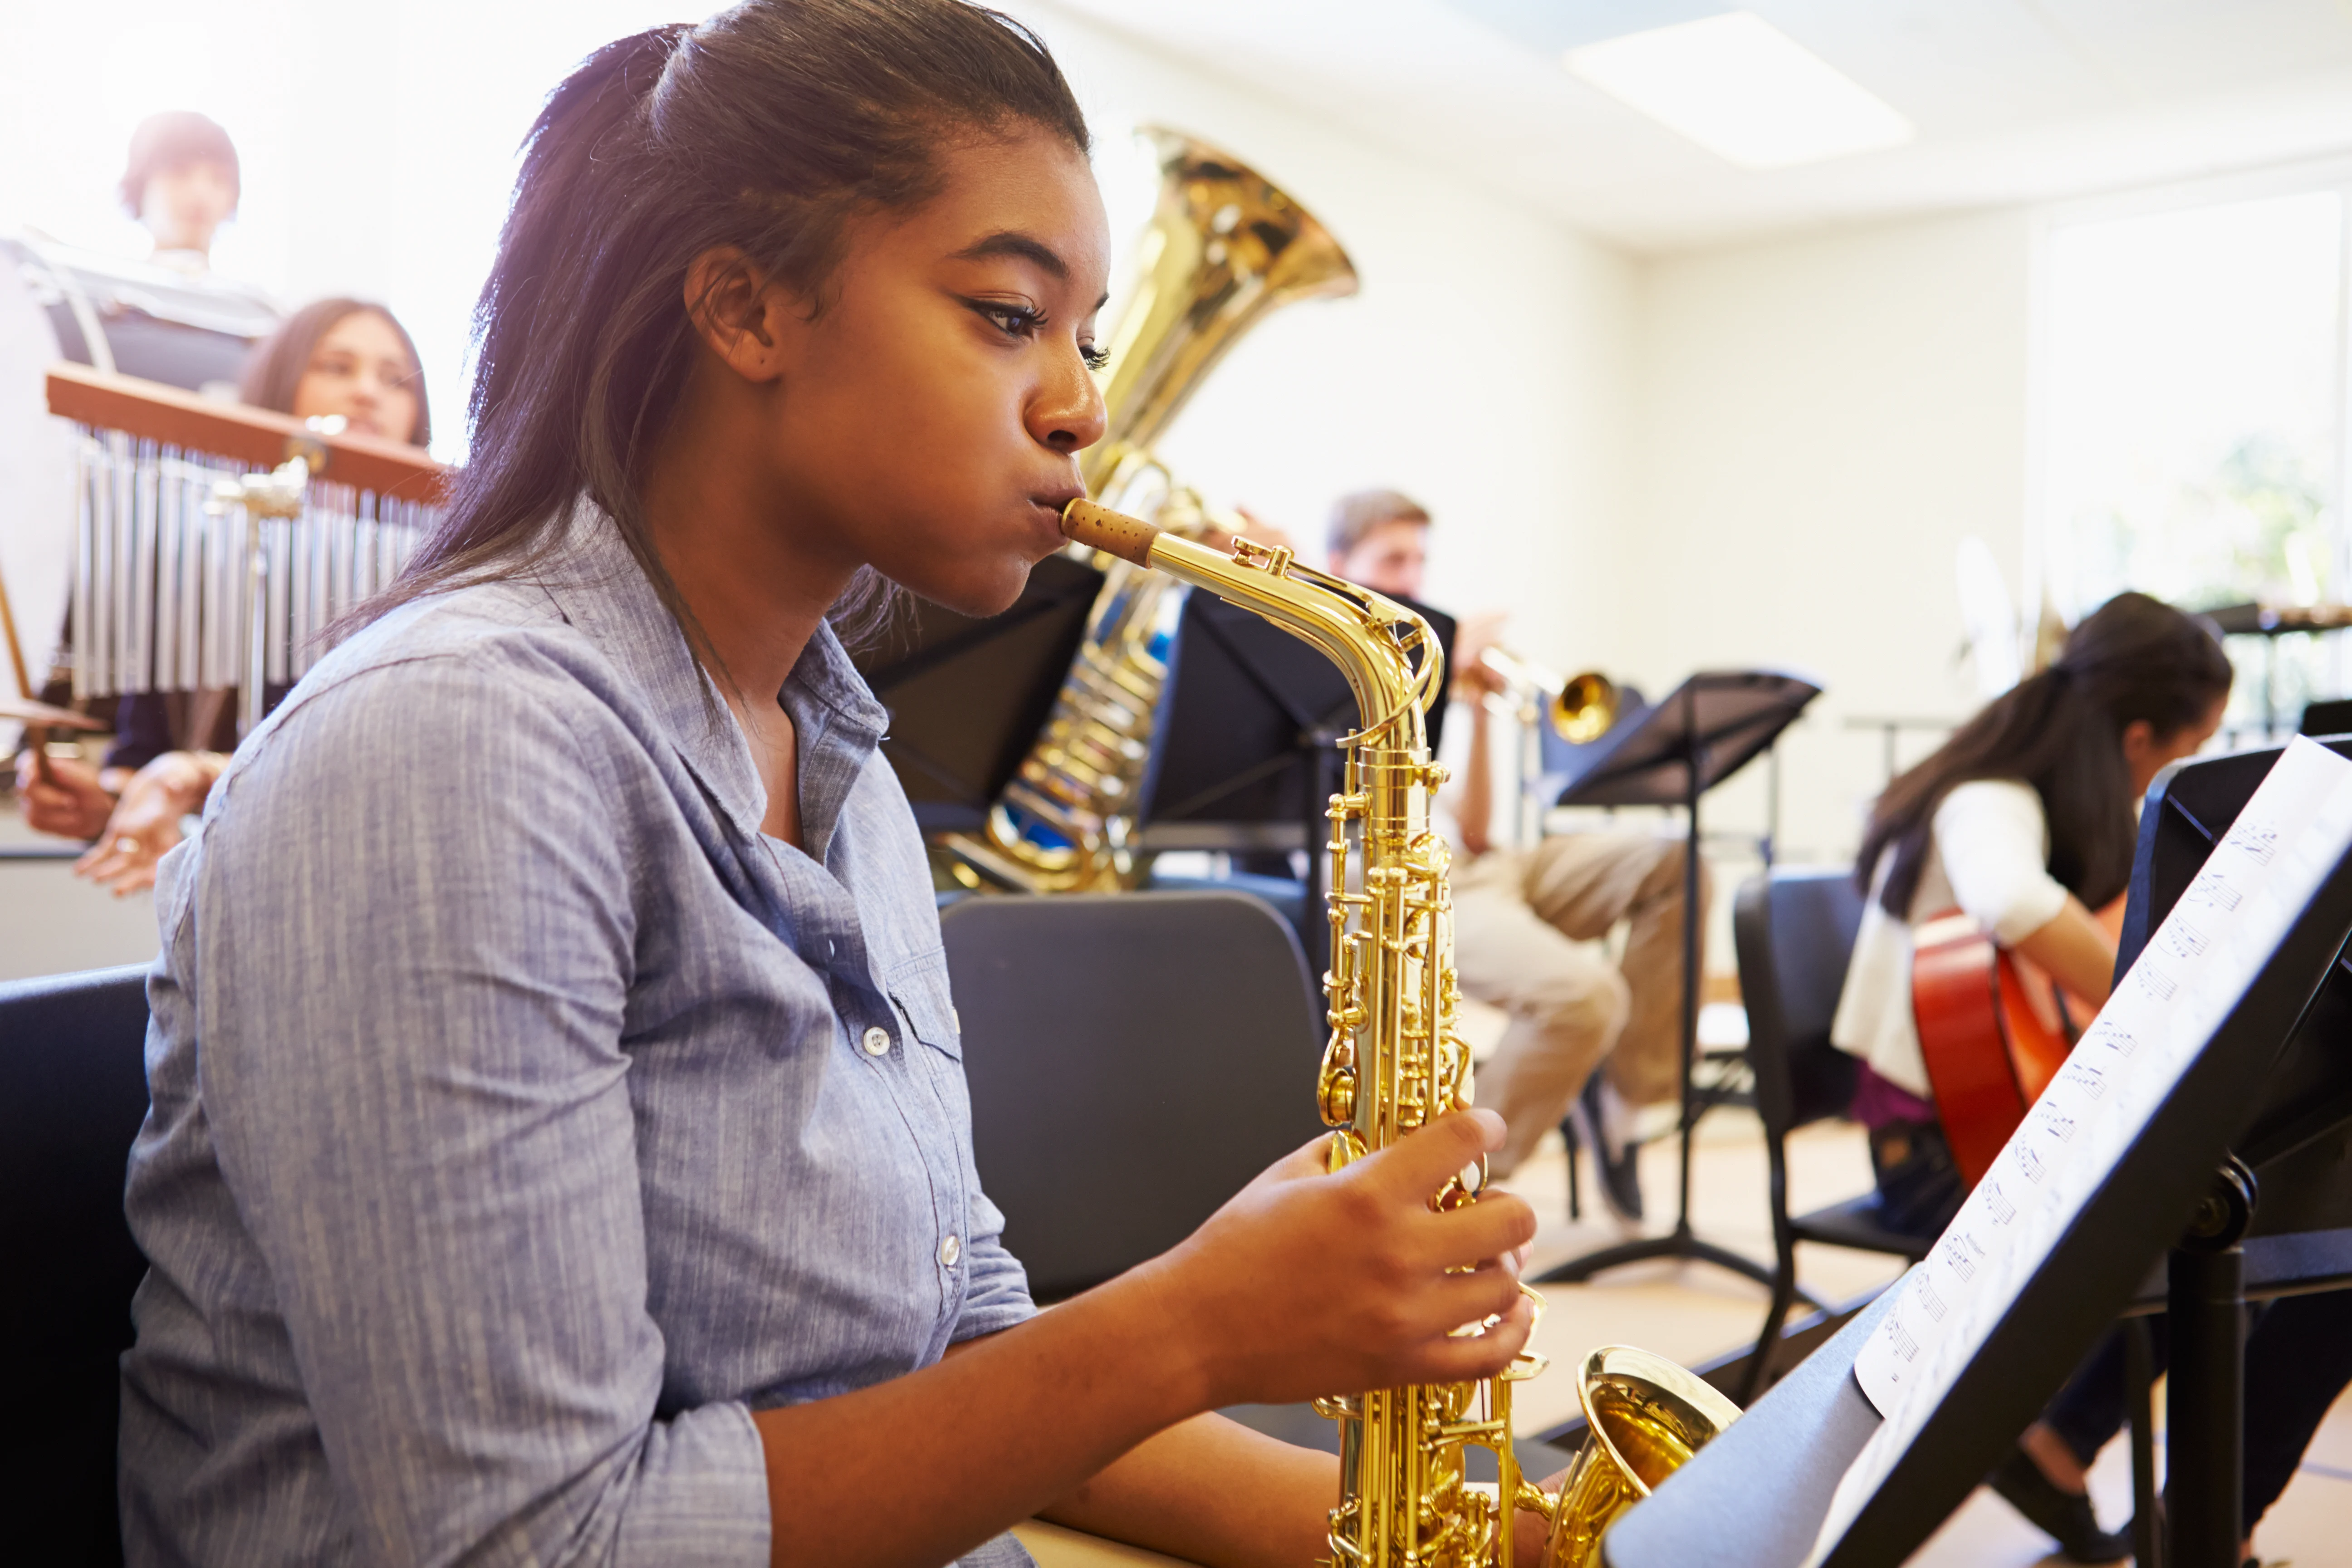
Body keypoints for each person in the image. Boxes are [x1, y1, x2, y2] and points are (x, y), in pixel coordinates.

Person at [117, 9, 1548, 1566]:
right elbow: (529, 1544)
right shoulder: (447, 748)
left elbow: (951, 1326)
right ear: (744, 307)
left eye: (1087, 338)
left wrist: (1480, 1538)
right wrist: (1194, 1325)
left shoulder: (835, 756)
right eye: (1009, 313)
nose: (1082, 409)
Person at [1830, 591, 2233, 1561]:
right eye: (2193, 746)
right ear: (2139, 739)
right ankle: (2071, 1444)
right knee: (2203, 1227)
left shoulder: (2066, 800)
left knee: (2226, 1204)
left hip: (1998, 1118)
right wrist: (2156, 1000)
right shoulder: (1992, 795)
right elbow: (2010, 901)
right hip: (1931, 1149)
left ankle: (2067, 1445)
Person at [1322, 488, 1700, 1220]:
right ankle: (1453, 1194)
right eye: (1391, 559)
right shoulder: (1333, 652)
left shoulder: (1418, 650)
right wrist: (1438, 671)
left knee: (1674, 859)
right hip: (1410, 879)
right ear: (1341, 563)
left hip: (1485, 862)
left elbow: (1480, 832)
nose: (1411, 577)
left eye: (1419, 560)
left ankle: (1624, 1097)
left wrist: (1473, 708)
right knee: (1586, 999)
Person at [14, 298, 430, 894]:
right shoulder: (197, 556)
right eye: (336, 368)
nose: (367, 393)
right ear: (280, 384)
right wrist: (106, 808)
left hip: (368, 887)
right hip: (229, 901)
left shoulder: (435, 573)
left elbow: (391, 770)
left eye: (395, 380)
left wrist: (198, 774)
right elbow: (146, 758)